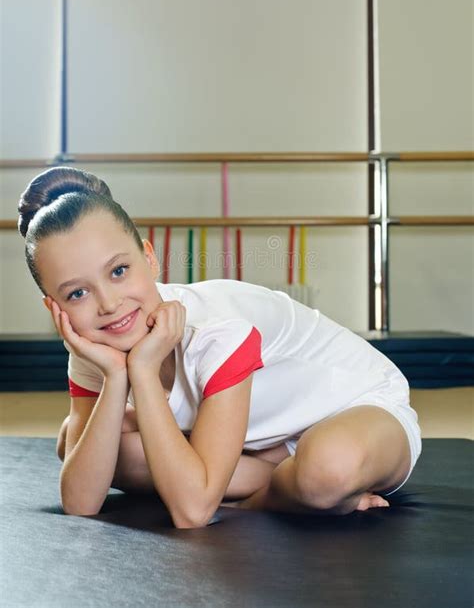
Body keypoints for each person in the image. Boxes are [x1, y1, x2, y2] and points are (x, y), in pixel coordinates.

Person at [17, 167, 422, 528]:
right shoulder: (94, 346)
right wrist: (122, 372)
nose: (108, 304)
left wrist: (141, 373)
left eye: (119, 271)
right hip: (257, 443)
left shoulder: (215, 331)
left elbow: (191, 513)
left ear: (149, 257)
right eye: (77, 294)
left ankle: (270, 496)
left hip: (358, 408)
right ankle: (283, 480)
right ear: (53, 307)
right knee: (83, 438)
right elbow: (80, 502)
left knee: (326, 470)